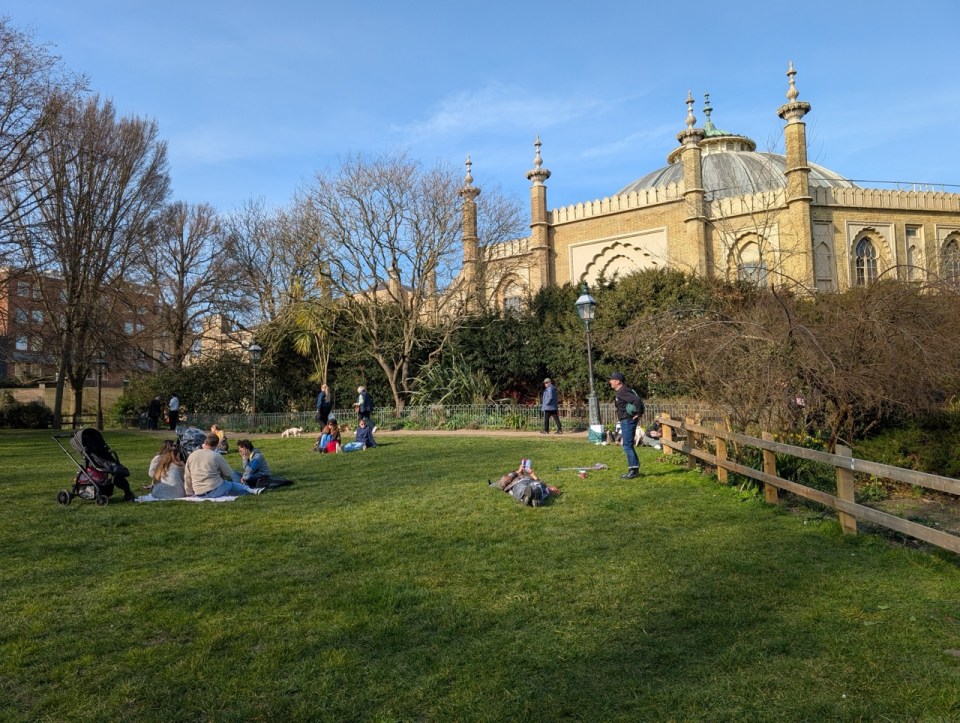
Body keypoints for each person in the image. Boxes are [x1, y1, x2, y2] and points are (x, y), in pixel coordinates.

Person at [183, 433, 262, 498]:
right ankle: (251, 490)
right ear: (217, 445)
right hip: (214, 489)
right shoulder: (215, 456)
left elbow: (187, 476)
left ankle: (251, 489)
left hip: (199, 492)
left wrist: (189, 492)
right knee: (233, 485)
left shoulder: (192, 455)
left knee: (232, 482)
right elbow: (229, 473)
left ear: (205, 442)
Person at [608, 372, 644, 479]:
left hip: (628, 421)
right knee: (627, 445)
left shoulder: (623, 391)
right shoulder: (621, 391)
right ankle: (634, 469)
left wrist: (639, 413)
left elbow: (637, 400)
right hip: (625, 421)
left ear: (618, 381)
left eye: (612, 380)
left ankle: (633, 471)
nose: (610, 381)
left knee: (627, 446)